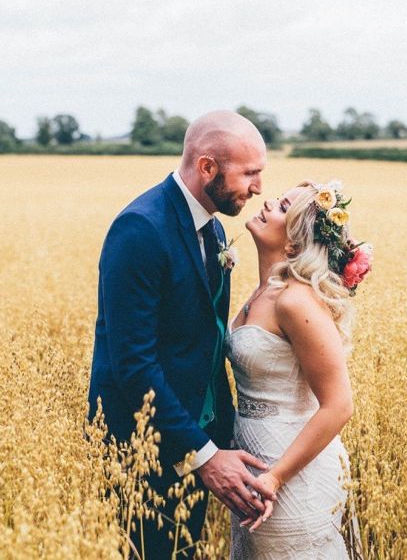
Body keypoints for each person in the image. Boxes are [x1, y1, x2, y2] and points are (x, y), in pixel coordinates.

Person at [87, 110, 277, 559]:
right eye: (249, 173)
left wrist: (222, 440)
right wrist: (205, 456)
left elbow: (205, 345)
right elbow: (133, 364)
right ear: (207, 167)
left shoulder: (212, 227)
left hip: (191, 439)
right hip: (140, 452)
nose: (258, 187)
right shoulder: (140, 228)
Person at [226, 180, 372, 558]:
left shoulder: (296, 301)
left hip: (291, 471)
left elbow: (339, 405)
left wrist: (275, 476)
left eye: (281, 205)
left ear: (294, 242)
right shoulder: (261, 292)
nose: (268, 201)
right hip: (255, 463)